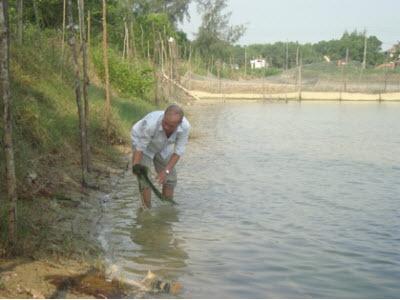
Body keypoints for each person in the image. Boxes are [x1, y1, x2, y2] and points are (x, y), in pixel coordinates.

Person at [131, 104, 190, 208]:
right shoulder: (151, 124)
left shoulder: (185, 127)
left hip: (163, 145)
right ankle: (146, 209)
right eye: (165, 123)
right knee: (145, 178)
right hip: (144, 144)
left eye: (171, 126)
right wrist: (136, 167)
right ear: (163, 117)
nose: (166, 127)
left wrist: (165, 171)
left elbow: (178, 152)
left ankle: (166, 209)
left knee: (170, 178)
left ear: (179, 123)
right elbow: (140, 147)